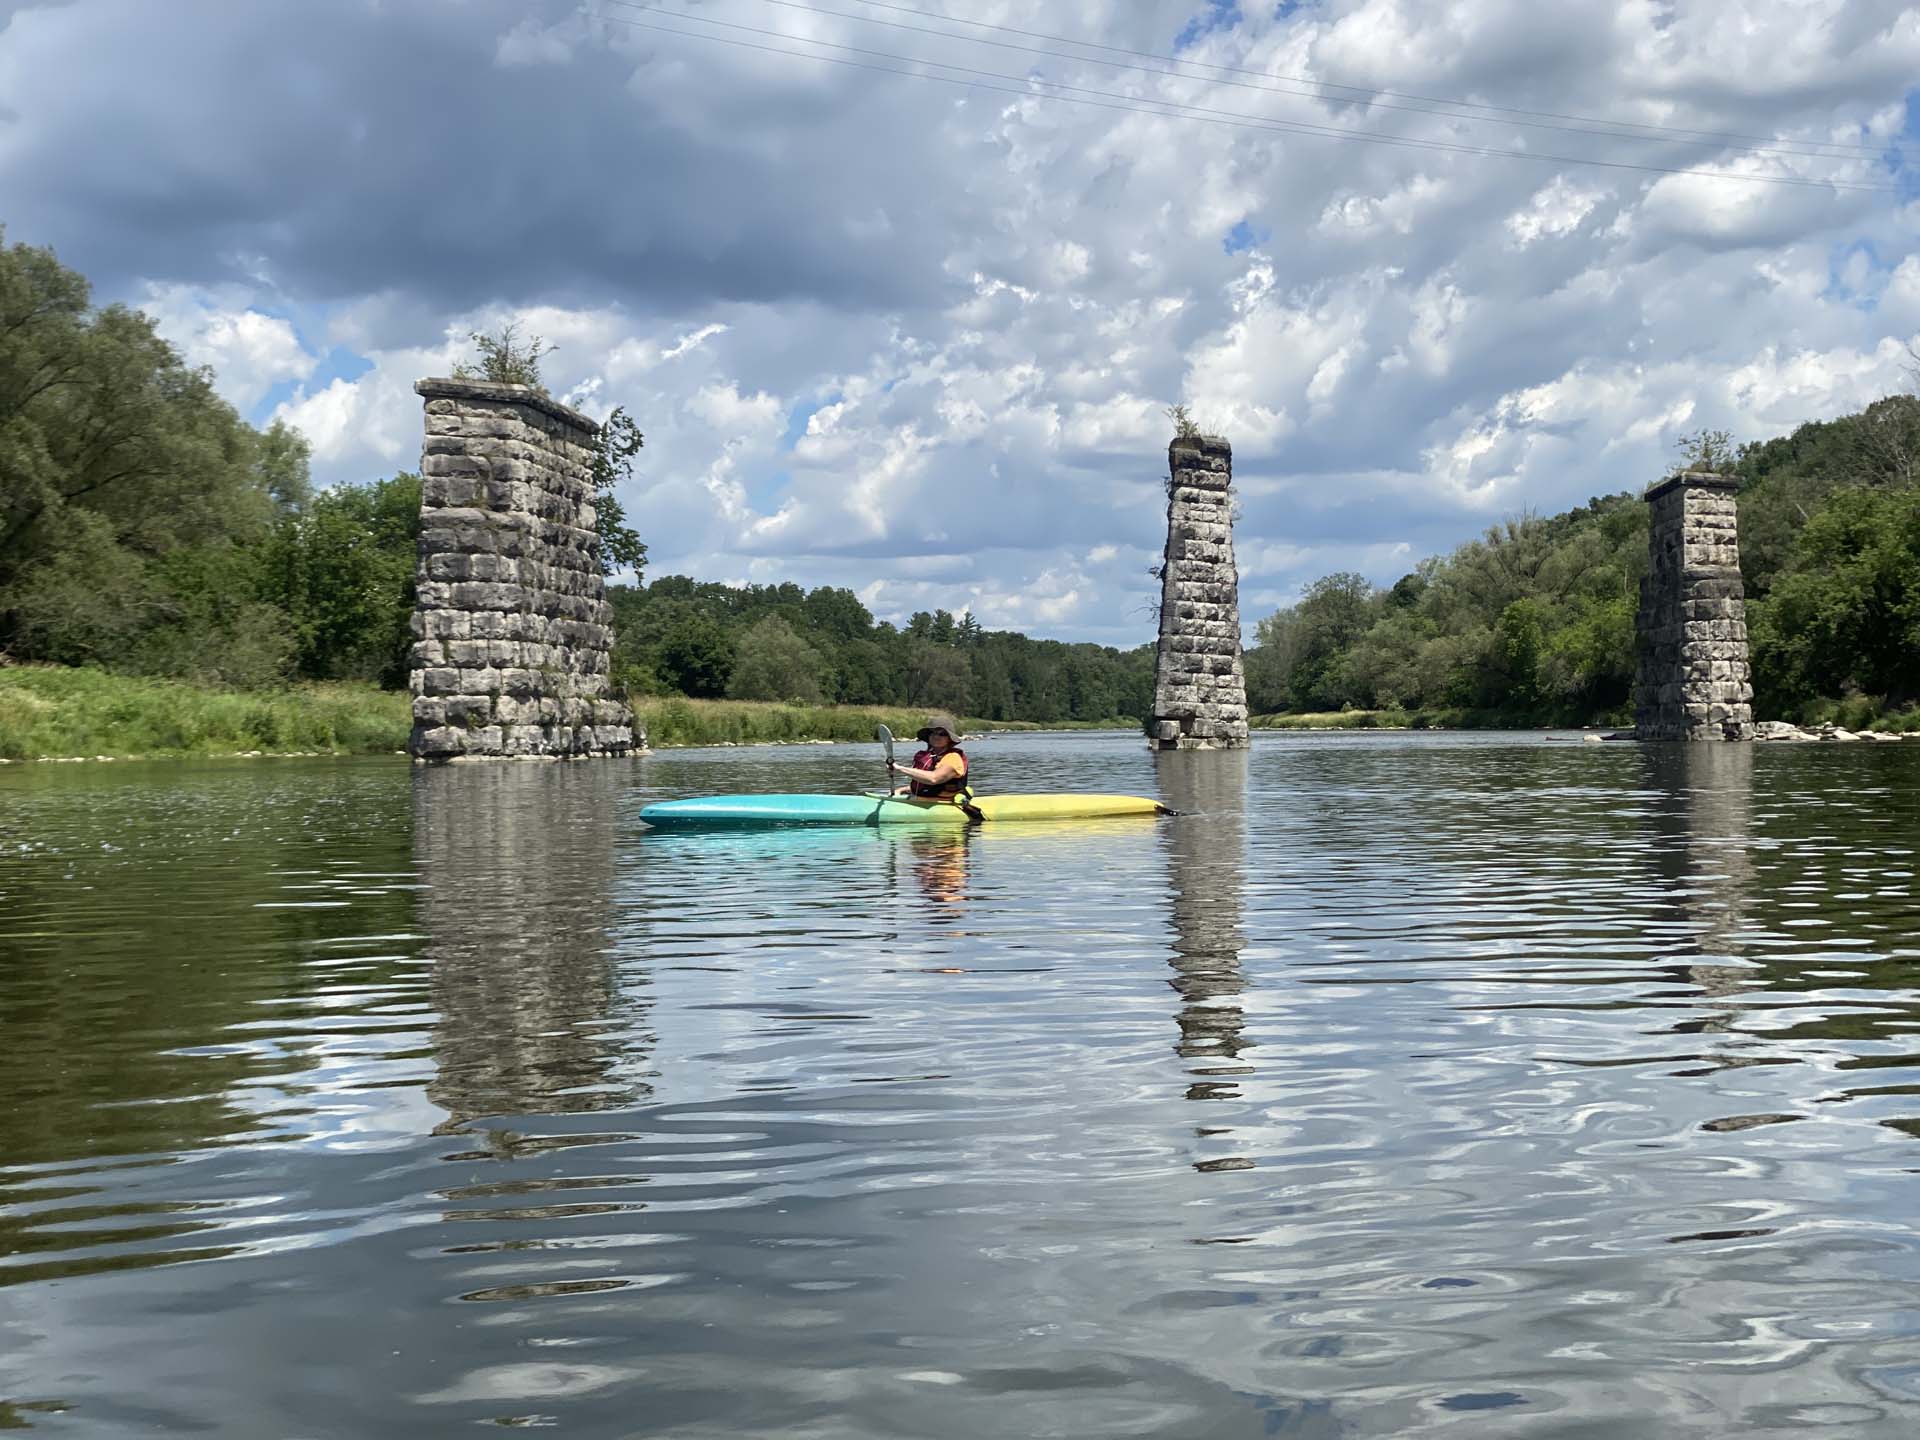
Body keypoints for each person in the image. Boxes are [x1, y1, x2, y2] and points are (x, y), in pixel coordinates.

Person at [891, 714, 971, 804]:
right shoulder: (929, 757)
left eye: (942, 734)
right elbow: (924, 786)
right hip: (920, 801)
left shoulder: (953, 758)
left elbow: (933, 779)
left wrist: (899, 768)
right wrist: (901, 790)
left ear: (949, 738)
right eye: (932, 732)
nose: (936, 736)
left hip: (943, 805)